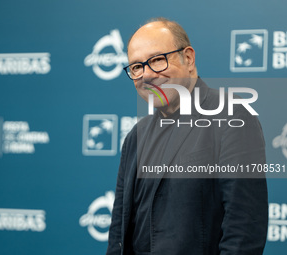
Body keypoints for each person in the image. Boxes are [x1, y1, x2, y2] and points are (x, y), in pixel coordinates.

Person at [106, 18, 268, 255]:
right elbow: (119, 232)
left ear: (189, 59)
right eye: (136, 67)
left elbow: (244, 231)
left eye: (157, 60)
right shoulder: (135, 137)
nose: (147, 75)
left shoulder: (233, 118)